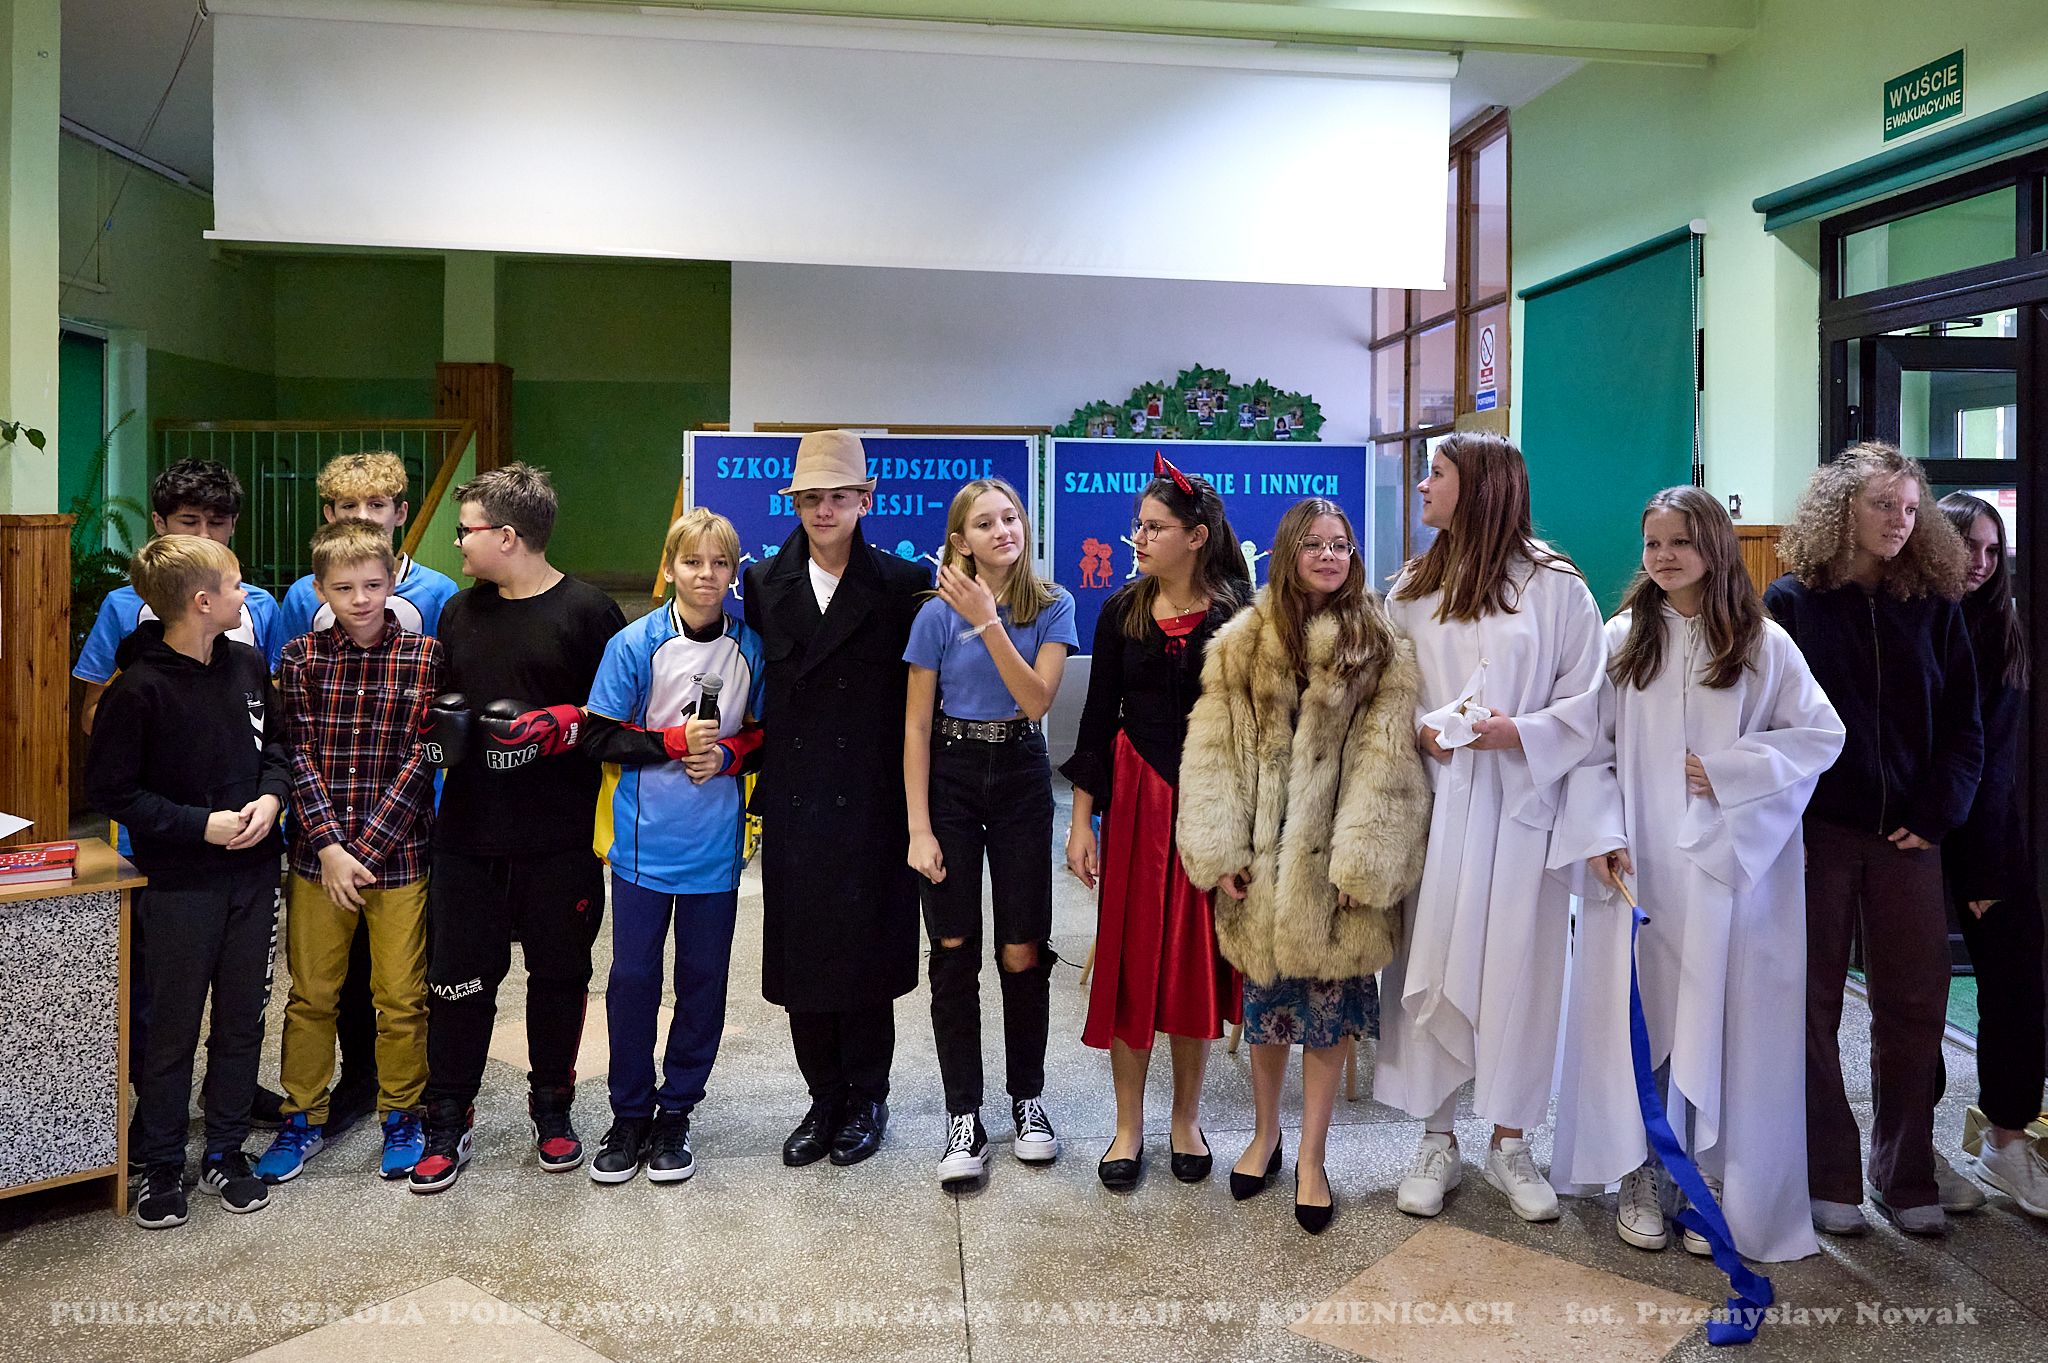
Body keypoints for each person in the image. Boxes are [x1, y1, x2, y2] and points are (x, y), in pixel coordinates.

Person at [1551, 487, 1844, 1262]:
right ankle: (1641, 1168)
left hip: (1727, 870)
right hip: (1639, 866)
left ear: (1714, 546)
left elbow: (1819, 734)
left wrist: (1730, 770)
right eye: (1653, 543)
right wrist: (1601, 833)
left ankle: (1711, 1175)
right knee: (1640, 1015)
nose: (1664, 556)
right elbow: (1590, 751)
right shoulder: (1622, 640)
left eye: (1680, 541)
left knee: (1722, 1015)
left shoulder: (1762, 644)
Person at [1177, 498, 1431, 1233]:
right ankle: (1266, 1135)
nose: (1329, 556)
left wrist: (1363, 863)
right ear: (1289, 552)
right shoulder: (1242, 640)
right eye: (1315, 544)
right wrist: (1220, 850)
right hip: (1261, 864)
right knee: (1267, 1014)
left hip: (1333, 871)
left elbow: (1389, 760)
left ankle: (1314, 1158)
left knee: (1326, 1017)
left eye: (1341, 544)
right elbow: (1215, 751)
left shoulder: (1378, 642)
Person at [1377, 431, 1605, 1223]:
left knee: (1520, 968)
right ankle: (1435, 1136)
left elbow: (1589, 698)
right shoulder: (1413, 585)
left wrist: (1522, 732)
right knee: (1431, 958)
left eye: (1436, 473)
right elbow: (1390, 687)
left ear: (1480, 484)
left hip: (1521, 808)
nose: (1422, 485)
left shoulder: (1554, 585)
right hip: (1440, 807)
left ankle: (1511, 1139)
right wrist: (1420, 728)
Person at [1765, 442, 1981, 1238]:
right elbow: (1770, 721)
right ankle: (1829, 1175)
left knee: (1915, 1003)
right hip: (1818, 830)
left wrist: (1936, 812)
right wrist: (1789, 814)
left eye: (1911, 508)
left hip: (1910, 839)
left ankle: (1906, 1171)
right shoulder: (1791, 602)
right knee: (1811, 1001)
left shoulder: (1935, 605)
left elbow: (1965, 728)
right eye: (1883, 504)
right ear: (1842, 509)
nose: (1899, 520)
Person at [408, 463, 627, 1194]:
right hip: (468, 835)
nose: (458, 544)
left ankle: (553, 1108)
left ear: (507, 536)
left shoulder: (589, 613)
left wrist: (565, 726)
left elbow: (618, 720)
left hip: (558, 838)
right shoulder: (458, 612)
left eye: (465, 530)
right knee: (457, 983)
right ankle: (448, 1115)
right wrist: (439, 733)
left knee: (559, 977)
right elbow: (442, 703)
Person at [83, 535, 290, 1229]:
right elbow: (112, 790)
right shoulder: (138, 689)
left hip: (254, 876)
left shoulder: (248, 664)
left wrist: (272, 797)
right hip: (179, 884)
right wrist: (199, 825)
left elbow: (278, 746)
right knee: (171, 1025)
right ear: (202, 602)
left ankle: (226, 1148)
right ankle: (164, 1159)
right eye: (235, 584)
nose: (245, 594)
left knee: (243, 1016)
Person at [1062, 454, 1252, 1191]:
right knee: (1132, 962)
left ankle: (1187, 1118)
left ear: (1196, 536)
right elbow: (1095, 718)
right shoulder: (1121, 611)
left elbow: (1251, 726)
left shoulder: (1237, 616)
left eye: (1154, 527)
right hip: (1137, 799)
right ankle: (1127, 1123)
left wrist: (1241, 831)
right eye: (1137, 526)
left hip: (1208, 805)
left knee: (1192, 964)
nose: (1138, 538)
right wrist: (1082, 822)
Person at [743, 430, 929, 1169]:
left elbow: (921, 701)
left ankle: (867, 1096)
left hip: (874, 800)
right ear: (794, 504)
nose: (824, 510)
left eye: (839, 497)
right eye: (811, 498)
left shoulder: (903, 582)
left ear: (865, 501)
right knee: (805, 956)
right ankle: (823, 1097)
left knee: (867, 955)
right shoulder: (763, 582)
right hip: (797, 799)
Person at [256, 519, 445, 1187]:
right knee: (311, 995)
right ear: (319, 589)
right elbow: (296, 754)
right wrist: (333, 848)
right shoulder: (300, 658)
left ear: (392, 581)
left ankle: (402, 1112)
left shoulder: (426, 655)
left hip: (400, 856)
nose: (360, 599)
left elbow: (424, 757)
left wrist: (364, 848)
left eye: (372, 584)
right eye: (343, 588)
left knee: (401, 996)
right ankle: (302, 1115)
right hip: (318, 860)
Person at [580, 508, 765, 1186]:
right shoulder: (635, 644)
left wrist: (728, 756)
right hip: (641, 845)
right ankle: (629, 1113)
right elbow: (598, 735)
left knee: (703, 980)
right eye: (692, 562)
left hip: (715, 847)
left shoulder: (752, 648)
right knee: (632, 980)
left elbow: (769, 734)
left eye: (720, 563)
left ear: (734, 573)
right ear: (669, 567)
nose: (706, 575)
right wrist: (671, 743)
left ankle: (677, 1110)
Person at [904, 479, 1078, 1185]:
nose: (1003, 529)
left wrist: (988, 620)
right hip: (949, 771)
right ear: (960, 542)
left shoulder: (1053, 604)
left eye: (1011, 517)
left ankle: (1027, 1099)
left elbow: (1036, 700)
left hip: (1019, 772)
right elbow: (916, 725)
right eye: (985, 523)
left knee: (1021, 948)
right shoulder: (933, 614)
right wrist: (918, 826)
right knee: (953, 948)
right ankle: (963, 1115)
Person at [1937, 493, 2046, 1218]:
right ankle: (1910, 1147)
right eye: (1966, 546)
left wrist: (1987, 864)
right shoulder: (1916, 616)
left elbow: (1995, 759)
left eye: (1990, 549)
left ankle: (2006, 1138)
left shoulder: (2001, 627)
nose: (1979, 562)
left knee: (2016, 984)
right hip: (1915, 831)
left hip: (1989, 834)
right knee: (1913, 994)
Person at [76, 459, 287, 735]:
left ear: (233, 524)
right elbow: (91, 716)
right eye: (189, 521)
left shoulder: (259, 605)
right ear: (159, 522)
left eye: (217, 523)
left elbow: (270, 703)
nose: (203, 535)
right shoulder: (122, 605)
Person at [276, 450, 459, 639]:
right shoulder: (303, 595)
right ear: (330, 515)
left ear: (400, 513)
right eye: (349, 506)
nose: (362, 516)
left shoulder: (438, 590)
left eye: (376, 505)